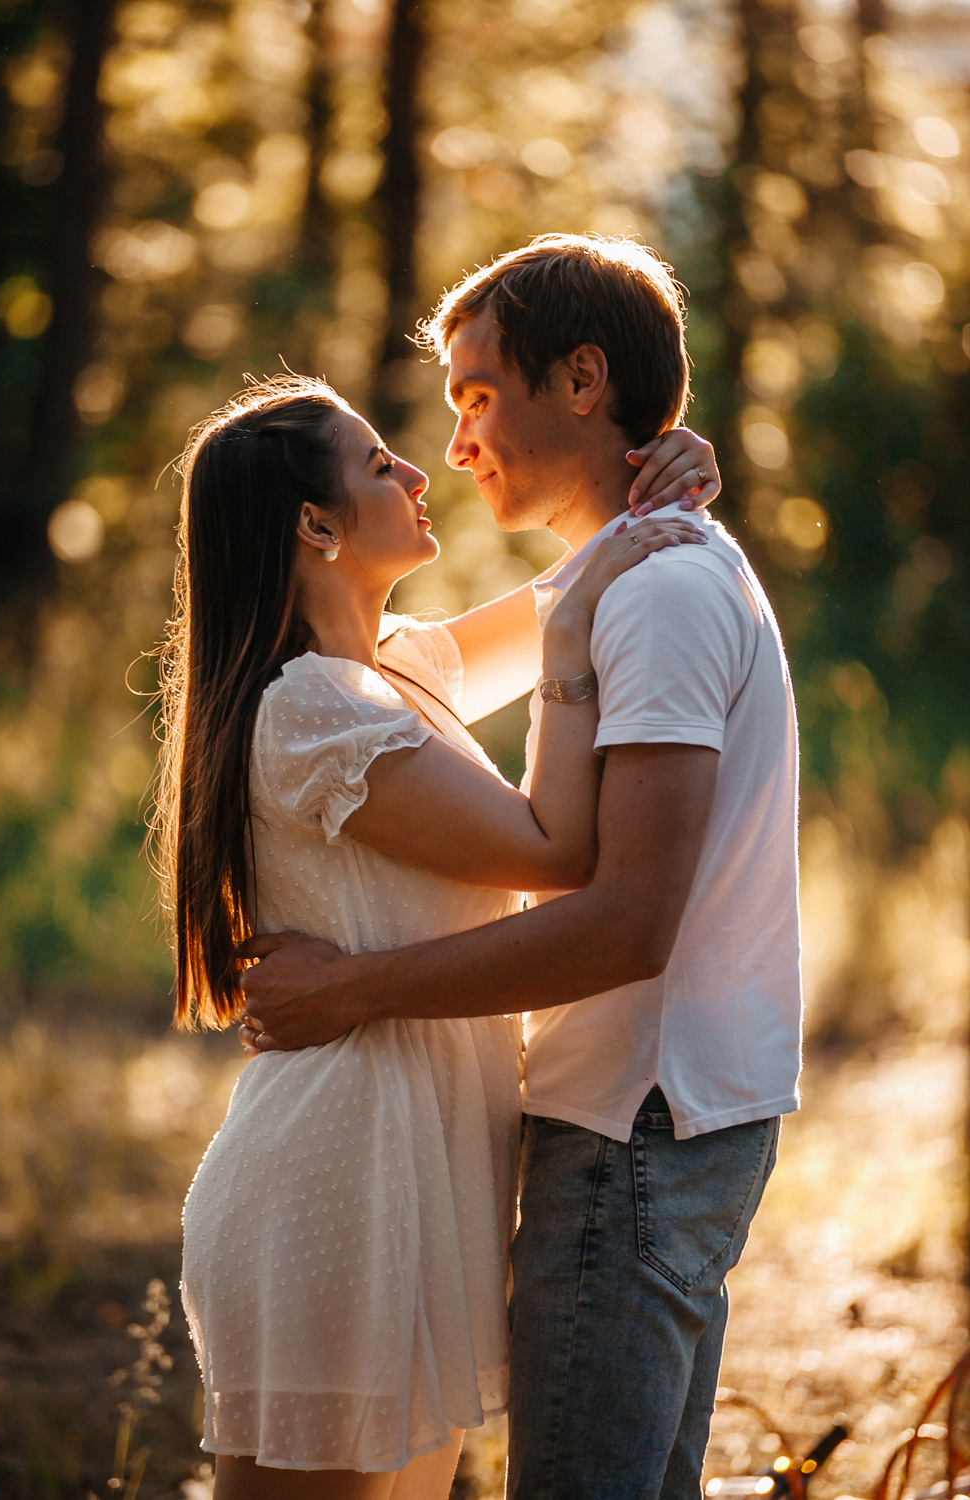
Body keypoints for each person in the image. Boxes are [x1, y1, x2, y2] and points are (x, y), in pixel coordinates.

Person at [237, 234, 804, 1500]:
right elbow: (562, 603)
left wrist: (351, 988)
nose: (451, 448)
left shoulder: (651, 594)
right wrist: (650, 497)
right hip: (600, 1120)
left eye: (476, 397)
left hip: (638, 1120)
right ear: (316, 526)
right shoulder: (617, 589)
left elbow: (617, 914)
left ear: (584, 381)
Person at [152, 367, 714, 1499]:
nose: (418, 471)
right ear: (315, 523)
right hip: (341, 1177)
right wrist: (565, 668)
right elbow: (558, 849)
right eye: (376, 464)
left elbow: (584, 580)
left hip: (421, 1167)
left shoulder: (395, 670)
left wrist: (671, 477)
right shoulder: (310, 705)